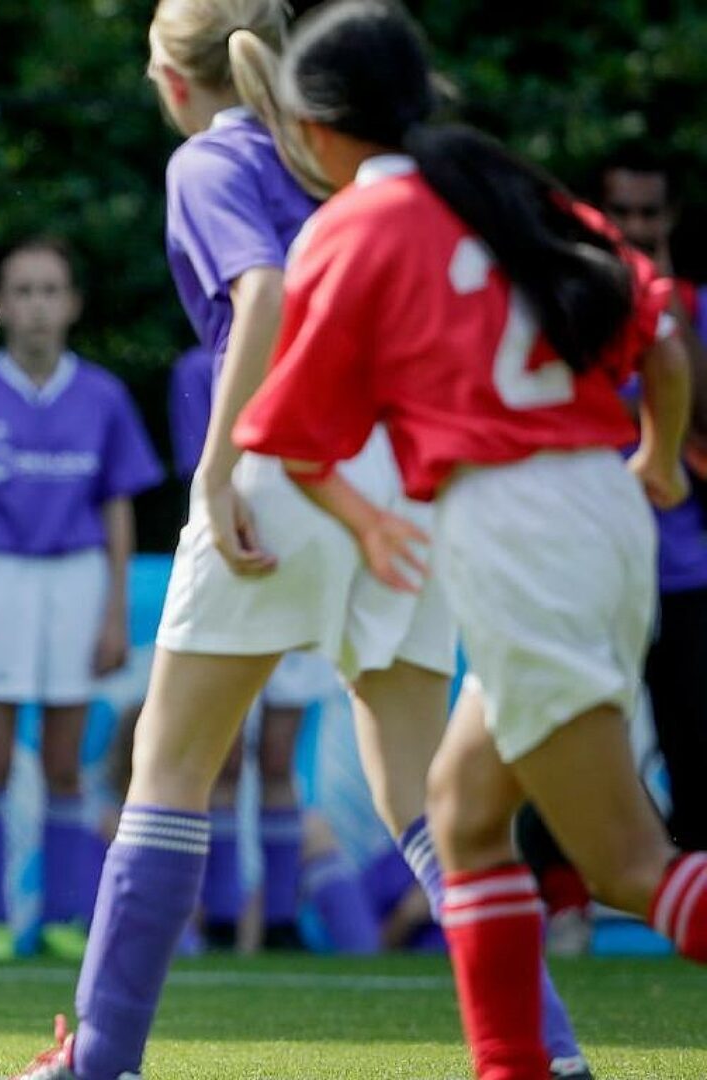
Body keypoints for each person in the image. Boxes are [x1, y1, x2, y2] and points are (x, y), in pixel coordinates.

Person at [4, 2, 589, 1077]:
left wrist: (222, 467)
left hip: (288, 467)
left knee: (171, 772)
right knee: (423, 802)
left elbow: (262, 291)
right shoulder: (353, 160)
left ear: (173, 81)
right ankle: (548, 1054)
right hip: (405, 481)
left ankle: (98, 1063)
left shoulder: (209, 162)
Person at [235, 5, 704, 1077]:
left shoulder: (351, 229)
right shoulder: (507, 189)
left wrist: (363, 518)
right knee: (465, 810)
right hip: (603, 509)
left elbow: (287, 431)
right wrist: (662, 463)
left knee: (632, 866)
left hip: (514, 528)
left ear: (310, 129)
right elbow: (664, 336)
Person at [0, 237, 163, 961]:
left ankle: (63, 918)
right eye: (21, 291)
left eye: (50, 290)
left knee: (64, 759)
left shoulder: (103, 396)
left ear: (73, 305)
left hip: (77, 578)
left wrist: (115, 608)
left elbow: (118, 504)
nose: (36, 306)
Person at [518, 142, 707, 954]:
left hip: (686, 570)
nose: (633, 227)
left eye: (649, 215)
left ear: (669, 221)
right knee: (554, 735)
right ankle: (562, 906)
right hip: (581, 566)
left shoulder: (692, 308)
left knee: (698, 745)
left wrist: (662, 299)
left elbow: (698, 415)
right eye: (620, 212)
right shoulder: (562, 307)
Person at [171, 339, 338, 952]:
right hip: (229, 567)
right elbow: (203, 467)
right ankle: (217, 916)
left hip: (302, 566)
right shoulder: (197, 367)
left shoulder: (314, 354)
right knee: (224, 755)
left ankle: (279, 919)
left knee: (276, 757)